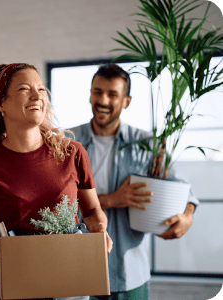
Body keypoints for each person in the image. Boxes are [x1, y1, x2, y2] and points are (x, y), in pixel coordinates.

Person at [0, 63, 113, 300]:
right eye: (24, 89)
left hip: (72, 282)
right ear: (0, 103)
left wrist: (100, 228)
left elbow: (91, 211)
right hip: (14, 285)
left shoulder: (73, 153)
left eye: (41, 89)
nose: (37, 95)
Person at [70, 64, 199, 300]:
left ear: (127, 101)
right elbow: (53, 203)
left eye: (112, 94)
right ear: (89, 94)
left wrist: (187, 216)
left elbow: (183, 189)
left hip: (132, 275)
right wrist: (111, 200)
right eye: (97, 92)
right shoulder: (67, 142)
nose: (103, 100)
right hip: (80, 273)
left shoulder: (147, 143)